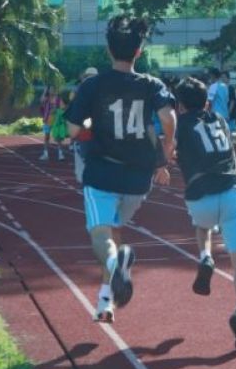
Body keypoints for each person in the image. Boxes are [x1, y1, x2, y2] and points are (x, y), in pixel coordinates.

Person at [66, 17, 176, 323]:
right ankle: (105, 301)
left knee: (101, 235)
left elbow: (73, 129)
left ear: (108, 50)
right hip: (138, 178)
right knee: (114, 232)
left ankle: (116, 266)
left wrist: (88, 124)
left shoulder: (92, 85)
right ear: (139, 51)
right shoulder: (152, 84)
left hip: (102, 171)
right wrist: (167, 151)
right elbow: (168, 119)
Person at [174, 77, 236, 351]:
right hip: (232, 190)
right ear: (207, 102)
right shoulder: (220, 119)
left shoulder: (180, 124)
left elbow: (168, 150)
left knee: (202, 226)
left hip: (200, 195)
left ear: (180, 105)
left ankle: (205, 256)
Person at [38, 85, 61, 160]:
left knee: (57, 137)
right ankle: (45, 154)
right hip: (47, 120)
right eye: (50, 89)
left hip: (56, 120)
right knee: (46, 137)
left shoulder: (57, 99)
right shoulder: (46, 98)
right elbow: (41, 100)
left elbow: (62, 107)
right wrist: (44, 91)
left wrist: (56, 110)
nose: (51, 91)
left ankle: (60, 154)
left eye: (53, 89)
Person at [49, 91, 71, 161]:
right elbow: (51, 112)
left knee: (70, 135)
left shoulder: (62, 103)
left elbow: (66, 108)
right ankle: (60, 153)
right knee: (59, 139)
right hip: (57, 124)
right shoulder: (54, 104)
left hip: (63, 123)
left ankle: (72, 146)